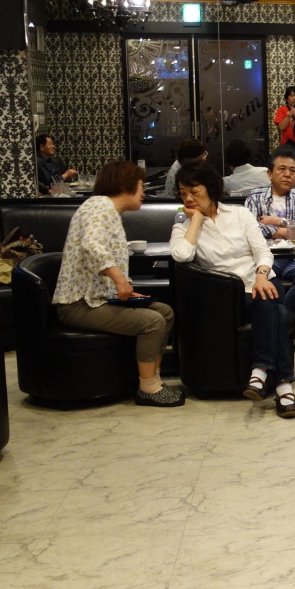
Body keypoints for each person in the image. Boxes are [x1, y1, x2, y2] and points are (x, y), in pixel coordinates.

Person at [170, 161, 295, 418]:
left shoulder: (240, 214)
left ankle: (260, 373)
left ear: (211, 189)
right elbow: (181, 255)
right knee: (280, 313)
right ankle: (282, 384)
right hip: (228, 296)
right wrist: (196, 221)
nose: (188, 198)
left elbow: (262, 251)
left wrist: (261, 276)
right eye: (183, 193)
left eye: (194, 191)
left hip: (262, 280)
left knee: (266, 296)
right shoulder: (182, 225)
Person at [53, 160, 181, 407]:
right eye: (141, 185)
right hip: (79, 305)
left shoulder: (107, 210)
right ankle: (148, 389)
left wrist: (126, 290)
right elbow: (92, 246)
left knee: (164, 312)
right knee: (152, 321)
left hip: (97, 300)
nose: (143, 192)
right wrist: (120, 280)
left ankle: (153, 378)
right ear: (126, 185)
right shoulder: (100, 206)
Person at [243, 148, 295, 325]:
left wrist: (279, 221)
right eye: (282, 169)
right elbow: (250, 231)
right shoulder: (254, 199)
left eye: (292, 171)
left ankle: (281, 325)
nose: (287, 174)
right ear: (269, 174)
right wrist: (290, 231)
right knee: (263, 278)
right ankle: (283, 329)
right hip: (267, 257)